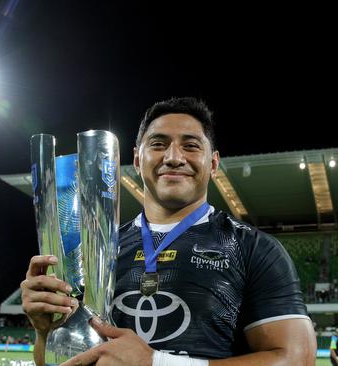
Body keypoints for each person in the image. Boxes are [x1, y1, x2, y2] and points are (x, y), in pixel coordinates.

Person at [21, 97, 317, 365]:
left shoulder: (252, 247)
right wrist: (46, 332)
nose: (174, 157)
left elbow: (297, 359)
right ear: (137, 160)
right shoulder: (94, 253)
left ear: (213, 163)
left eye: (191, 145)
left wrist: (157, 363)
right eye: (158, 144)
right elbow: (58, 361)